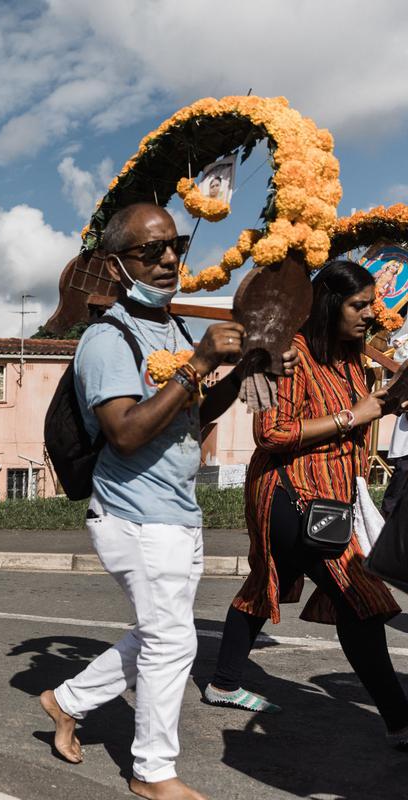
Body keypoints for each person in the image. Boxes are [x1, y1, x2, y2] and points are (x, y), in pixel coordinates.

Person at [37, 202, 299, 800]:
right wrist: (200, 363)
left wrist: (238, 373)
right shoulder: (106, 339)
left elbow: (192, 414)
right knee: (173, 640)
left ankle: (66, 700)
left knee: (164, 632)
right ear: (114, 264)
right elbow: (127, 430)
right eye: (148, 251)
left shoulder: (174, 329)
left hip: (178, 511)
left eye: (174, 245)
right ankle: (152, 772)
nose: (167, 259)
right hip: (130, 513)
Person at [204, 260, 408, 746]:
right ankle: (401, 721)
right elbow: (270, 431)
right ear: (331, 305)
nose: (368, 314)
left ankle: (223, 681)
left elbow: (363, 412)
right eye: (358, 305)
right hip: (290, 494)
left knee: (265, 580)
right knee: (360, 598)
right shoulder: (291, 353)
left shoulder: (350, 358)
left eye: (371, 305)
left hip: (332, 494)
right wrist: (350, 416)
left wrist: (390, 399)